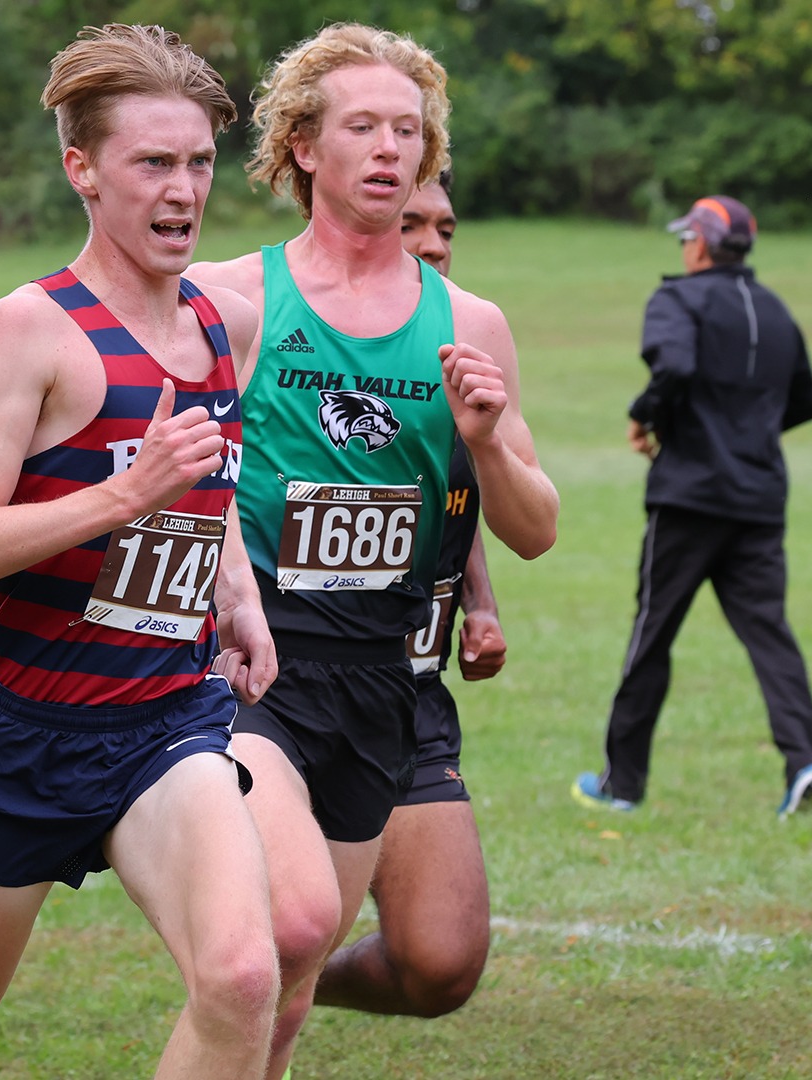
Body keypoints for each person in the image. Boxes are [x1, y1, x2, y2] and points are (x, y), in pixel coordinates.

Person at [0, 25, 281, 1080]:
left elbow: (209, 486)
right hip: (30, 735)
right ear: (82, 170)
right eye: (153, 163)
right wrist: (121, 495)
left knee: (240, 979)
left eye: (199, 163)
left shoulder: (225, 326)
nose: (183, 191)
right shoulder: (31, 330)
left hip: (170, 718)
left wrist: (238, 593)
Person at [188, 26, 558, 1077]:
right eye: (363, 127)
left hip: (388, 677)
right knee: (294, 926)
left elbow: (535, 529)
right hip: (254, 666)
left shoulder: (470, 323)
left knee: (319, 982)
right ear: (304, 145)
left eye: (409, 129)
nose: (391, 148)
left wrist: (488, 441)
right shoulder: (233, 297)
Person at [314, 173, 509, 1018]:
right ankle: (260, 984)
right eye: (412, 223)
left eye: (446, 227)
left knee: (440, 967)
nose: (433, 243)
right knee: (285, 926)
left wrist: (481, 603)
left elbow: (452, 495)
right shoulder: (297, 338)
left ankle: (288, 986)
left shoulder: (462, 345)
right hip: (288, 681)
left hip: (408, 690)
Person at [569, 194, 812, 818]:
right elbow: (805, 402)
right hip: (759, 498)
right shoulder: (776, 310)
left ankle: (621, 785)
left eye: (688, 237)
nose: (684, 247)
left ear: (704, 245)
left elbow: (677, 366)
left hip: (688, 497)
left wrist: (645, 415)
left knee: (652, 634)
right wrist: (747, 432)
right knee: (770, 634)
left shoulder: (676, 300)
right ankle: (804, 765)